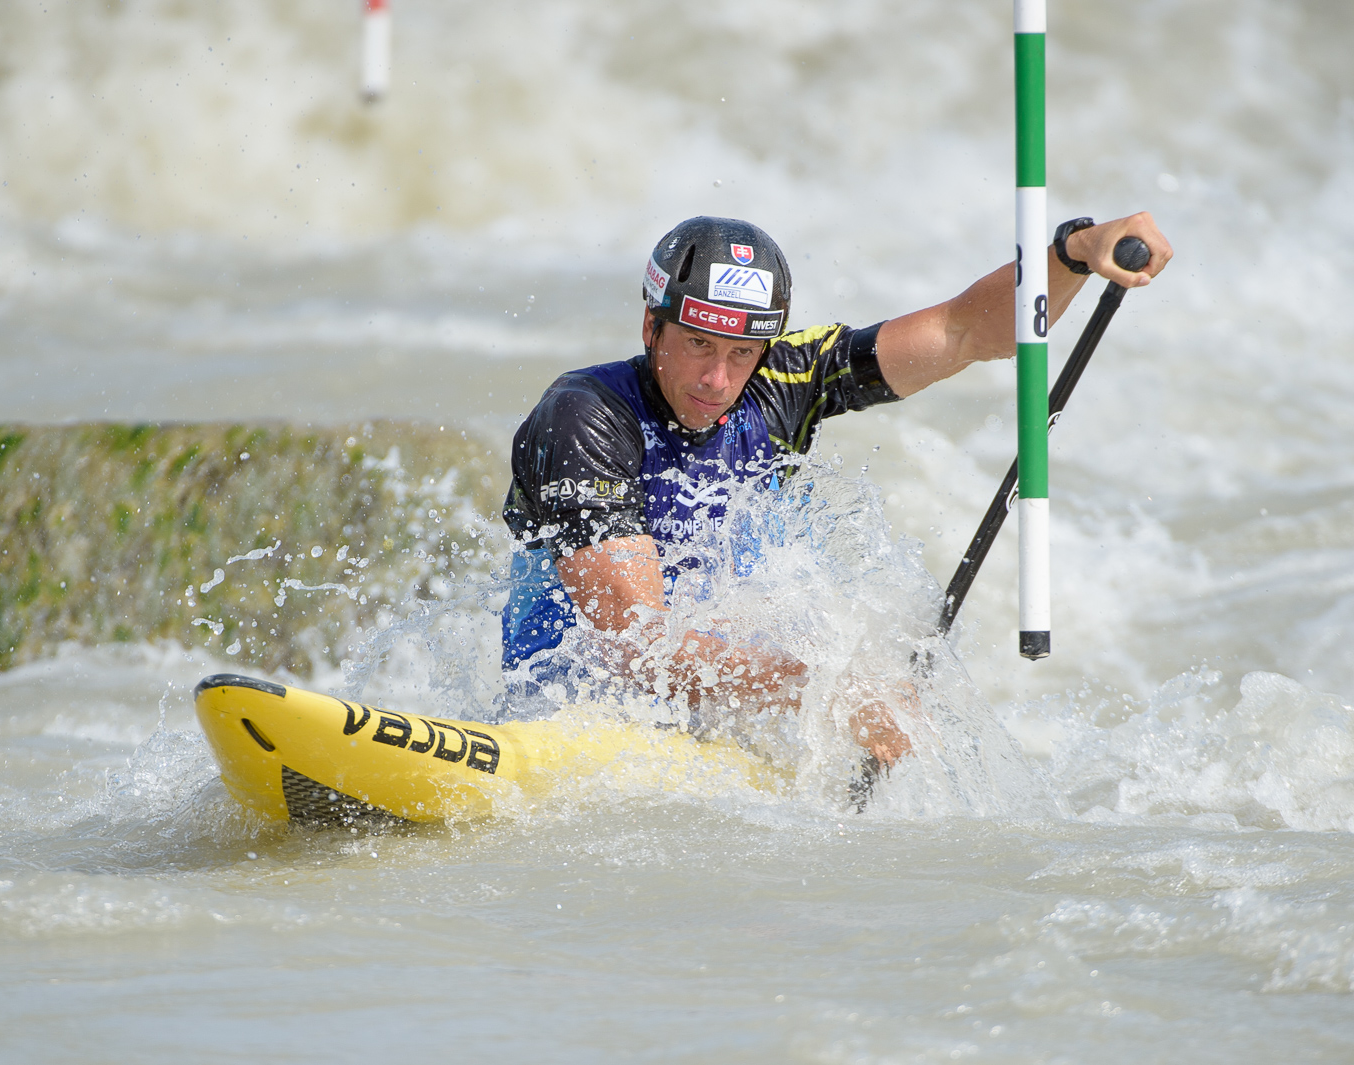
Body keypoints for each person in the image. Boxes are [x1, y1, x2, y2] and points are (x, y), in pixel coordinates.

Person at [499, 213, 1172, 766]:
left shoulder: (786, 384)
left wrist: (1073, 254)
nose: (718, 380)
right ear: (652, 327)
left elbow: (964, 329)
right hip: (573, 720)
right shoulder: (585, 415)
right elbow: (637, 647)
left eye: (741, 353)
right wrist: (827, 687)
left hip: (731, 729)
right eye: (699, 345)